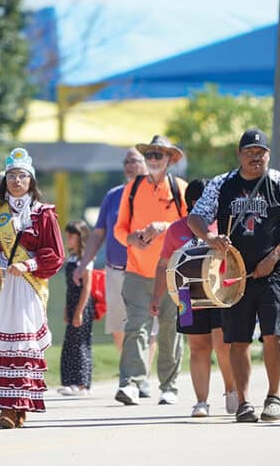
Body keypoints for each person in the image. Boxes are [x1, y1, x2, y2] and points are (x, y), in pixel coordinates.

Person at [189, 128, 280, 423]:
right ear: (239, 155)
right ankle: (243, 402)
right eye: (250, 152)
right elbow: (196, 217)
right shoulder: (221, 184)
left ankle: (274, 396)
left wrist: (275, 256)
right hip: (233, 272)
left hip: (273, 270)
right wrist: (211, 239)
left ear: (269, 154)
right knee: (237, 339)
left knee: (273, 334)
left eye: (261, 152)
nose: (256, 157)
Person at [0, 147, 65, 428]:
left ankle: (18, 406)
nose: (16, 181)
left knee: (22, 343)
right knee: (0, 344)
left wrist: (28, 265)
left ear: (31, 180)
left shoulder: (43, 214)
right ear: (4, 179)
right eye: (11, 175)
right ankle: (8, 407)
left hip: (26, 286)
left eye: (22, 176)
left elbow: (55, 254)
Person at [151, 179, 236, 418]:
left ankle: (232, 390)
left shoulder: (224, 227)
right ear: (195, 202)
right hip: (187, 296)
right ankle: (201, 401)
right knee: (198, 348)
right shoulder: (176, 230)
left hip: (220, 294)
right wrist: (156, 296)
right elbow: (164, 263)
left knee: (223, 346)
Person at [113, 135, 188, 406]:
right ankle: (131, 384)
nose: (154, 159)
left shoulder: (181, 189)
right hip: (137, 271)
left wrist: (163, 228)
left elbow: (193, 227)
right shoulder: (132, 189)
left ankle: (170, 386)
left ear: (170, 159)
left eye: (160, 155)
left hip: (175, 273)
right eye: (151, 155)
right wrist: (131, 239)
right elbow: (119, 229)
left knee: (173, 329)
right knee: (136, 327)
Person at [76, 148, 147, 352]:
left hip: (144, 272)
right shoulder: (113, 195)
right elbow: (98, 234)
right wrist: (83, 264)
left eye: (134, 161)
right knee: (119, 324)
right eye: (126, 162)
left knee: (146, 327)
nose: (129, 166)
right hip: (115, 270)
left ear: (145, 164)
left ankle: (142, 376)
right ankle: (128, 372)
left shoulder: (152, 195)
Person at [56, 220, 95, 397]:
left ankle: (82, 384)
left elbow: (86, 287)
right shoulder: (71, 257)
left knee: (80, 344)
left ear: (80, 237)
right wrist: (67, 309)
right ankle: (69, 381)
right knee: (69, 344)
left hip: (82, 305)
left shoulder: (86, 259)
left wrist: (79, 311)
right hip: (71, 303)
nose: (68, 239)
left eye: (72, 235)